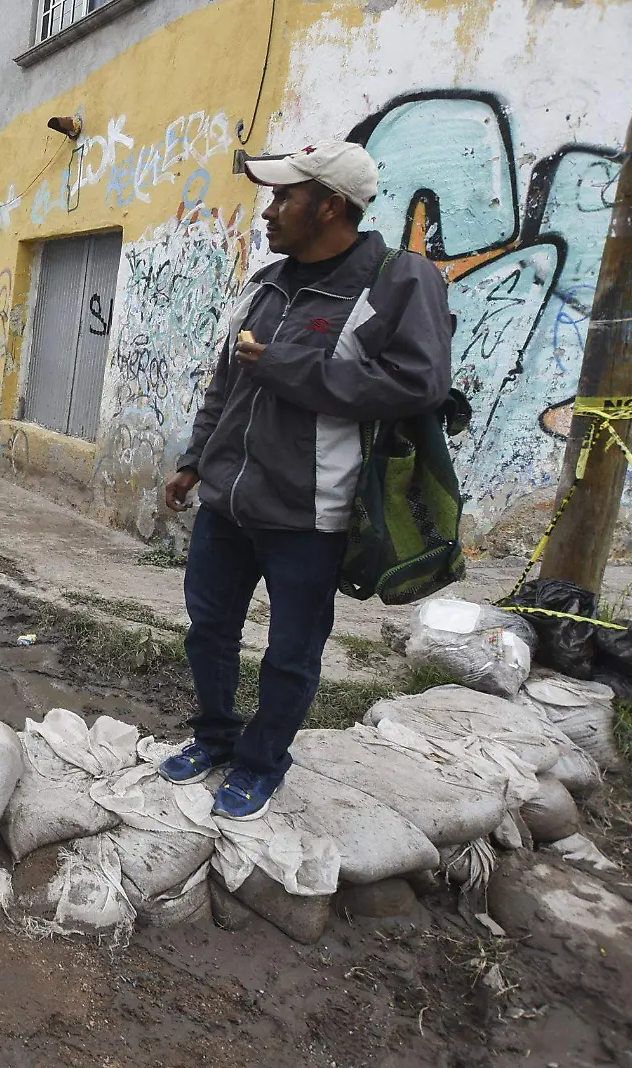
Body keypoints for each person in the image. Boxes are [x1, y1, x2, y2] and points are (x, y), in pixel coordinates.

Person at [159, 140, 453, 819]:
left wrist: (284, 365)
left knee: (290, 653)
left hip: (309, 514)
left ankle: (262, 764)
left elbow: (418, 383)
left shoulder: (397, 282)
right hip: (227, 502)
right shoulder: (267, 284)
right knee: (208, 631)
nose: (269, 211)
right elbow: (226, 383)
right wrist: (194, 460)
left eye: (284, 197)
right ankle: (215, 738)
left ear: (329, 206)